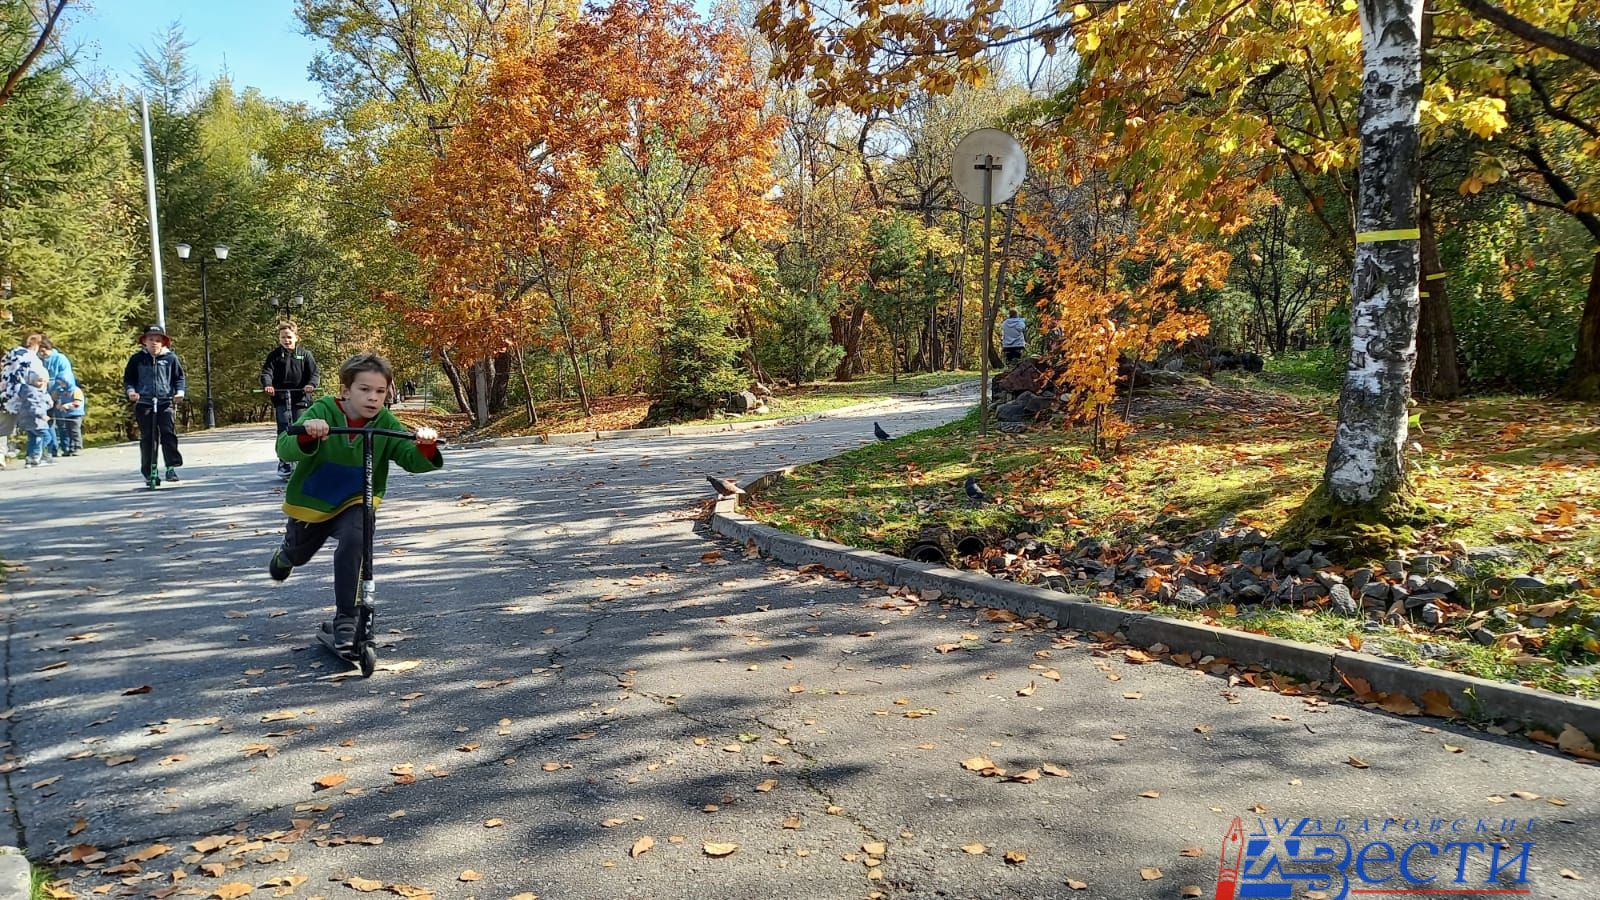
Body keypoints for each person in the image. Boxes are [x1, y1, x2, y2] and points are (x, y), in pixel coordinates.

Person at [267, 352, 441, 651]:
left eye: (380, 391)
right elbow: (284, 447)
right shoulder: (323, 410)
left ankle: (347, 617)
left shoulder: (385, 422)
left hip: (357, 499)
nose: (373, 398)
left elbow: (411, 459)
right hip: (313, 502)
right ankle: (285, 555)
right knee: (298, 553)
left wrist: (425, 445)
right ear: (345, 390)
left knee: (356, 540)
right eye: (364, 389)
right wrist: (309, 433)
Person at [123, 324, 187, 484]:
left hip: (165, 402)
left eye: (158, 340)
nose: (154, 343)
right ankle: (150, 471)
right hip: (144, 402)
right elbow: (129, 379)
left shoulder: (170, 358)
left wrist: (180, 393)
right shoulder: (137, 359)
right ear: (144, 341)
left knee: (168, 433)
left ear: (163, 342)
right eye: (151, 339)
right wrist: (131, 392)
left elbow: (179, 377)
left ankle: (171, 467)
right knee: (149, 438)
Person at [260, 323, 321, 476]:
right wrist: (268, 385)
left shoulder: (305, 354)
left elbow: (314, 373)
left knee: (303, 428)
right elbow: (267, 372)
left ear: (296, 337)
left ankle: (304, 460)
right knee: (284, 429)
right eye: (283, 337)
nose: (286, 340)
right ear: (279, 339)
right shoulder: (274, 355)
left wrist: (311, 385)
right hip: (281, 398)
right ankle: (284, 461)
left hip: (300, 398)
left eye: (289, 337)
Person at [0, 333, 48, 469]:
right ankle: (35, 456)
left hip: (5, 396)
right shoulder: (31, 357)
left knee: (2, 429)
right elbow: (36, 377)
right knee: (35, 428)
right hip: (24, 398)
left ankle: (0, 456)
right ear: (36, 345)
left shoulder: (11, 354)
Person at [7, 370, 53, 467]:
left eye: (43, 381)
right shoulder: (32, 392)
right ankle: (36, 456)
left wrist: (48, 404)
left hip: (29, 421)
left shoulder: (33, 391)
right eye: (39, 381)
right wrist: (42, 415)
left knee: (33, 438)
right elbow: (34, 407)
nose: (42, 384)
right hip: (36, 421)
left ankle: (29, 458)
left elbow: (42, 403)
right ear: (32, 381)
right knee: (46, 437)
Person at [52, 374, 85, 456]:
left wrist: (68, 405)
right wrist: (59, 405)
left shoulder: (76, 390)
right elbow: (57, 399)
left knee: (75, 431)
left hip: (76, 414)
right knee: (68, 432)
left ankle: (78, 447)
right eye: (59, 383)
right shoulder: (62, 391)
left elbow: (77, 403)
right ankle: (70, 448)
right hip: (66, 414)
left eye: (62, 383)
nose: (61, 385)